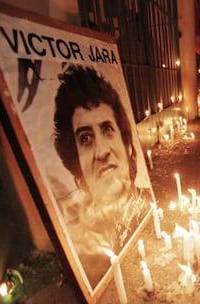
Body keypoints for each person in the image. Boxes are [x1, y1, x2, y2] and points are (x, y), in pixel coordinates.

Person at [53, 64, 151, 286]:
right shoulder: (83, 250)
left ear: (127, 145)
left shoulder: (146, 206)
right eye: (86, 139)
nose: (102, 151)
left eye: (107, 130)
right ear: (76, 163)